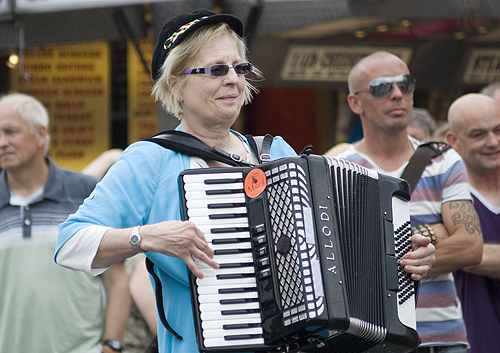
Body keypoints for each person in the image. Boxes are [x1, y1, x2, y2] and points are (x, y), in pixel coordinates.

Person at [55, 10, 435, 353]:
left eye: (240, 68)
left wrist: (399, 252)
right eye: (216, 70)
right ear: (176, 86)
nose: (233, 80)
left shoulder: (277, 153)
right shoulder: (151, 159)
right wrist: (146, 237)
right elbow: (70, 244)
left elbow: (336, 243)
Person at [335, 51, 483, 353]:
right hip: (369, 338)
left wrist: (385, 251)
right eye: (381, 88)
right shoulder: (337, 167)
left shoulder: (443, 159)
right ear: (355, 102)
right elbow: (337, 253)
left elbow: (470, 245)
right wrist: (434, 233)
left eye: (405, 85)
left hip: (441, 340)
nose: (397, 94)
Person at [0, 93, 130, 353]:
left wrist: (111, 346)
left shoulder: (86, 192)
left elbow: (117, 280)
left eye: (10, 131)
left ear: (40, 135)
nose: (2, 142)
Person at [445, 93, 500, 353]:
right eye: (478, 134)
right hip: (473, 342)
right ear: (453, 141)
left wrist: (465, 247)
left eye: (498, 130)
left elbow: (467, 253)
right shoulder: (444, 195)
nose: (493, 142)